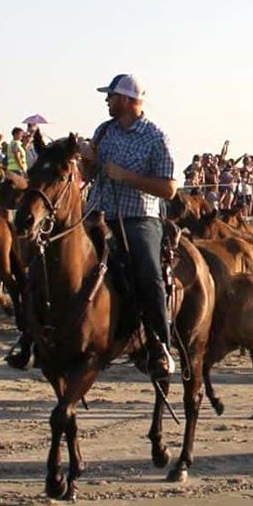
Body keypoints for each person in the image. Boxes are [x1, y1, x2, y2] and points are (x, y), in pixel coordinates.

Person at [80, 73, 177, 380]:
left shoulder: (155, 137)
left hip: (139, 218)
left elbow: (169, 189)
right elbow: (90, 171)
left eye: (111, 96)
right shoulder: (104, 130)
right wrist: (87, 159)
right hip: (96, 212)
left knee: (149, 274)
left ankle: (160, 344)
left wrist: (126, 176)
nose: (107, 101)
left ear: (126, 100)